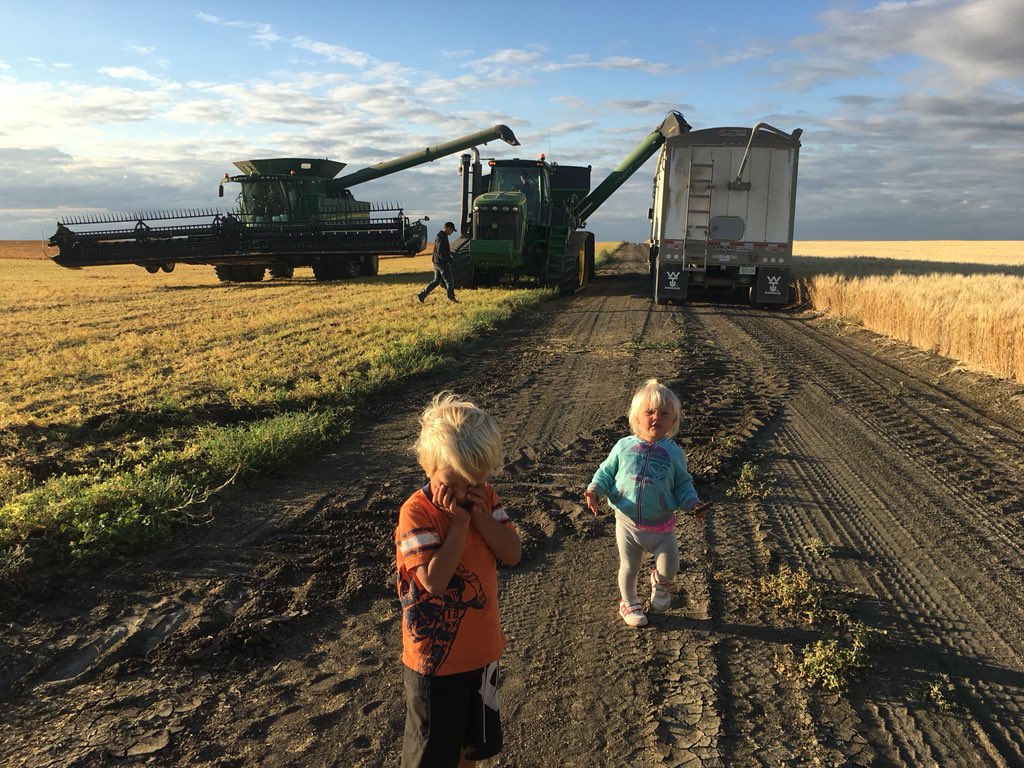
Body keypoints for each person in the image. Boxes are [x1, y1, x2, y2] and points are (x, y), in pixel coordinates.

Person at [396, 392, 522, 767]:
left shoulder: (484, 498)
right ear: (430, 467)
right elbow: (434, 582)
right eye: (456, 480)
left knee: (473, 747)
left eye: (478, 479)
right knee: (432, 755)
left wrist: (481, 516)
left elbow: (512, 553)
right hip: (435, 665)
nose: (468, 490)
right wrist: (460, 524)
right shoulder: (416, 512)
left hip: (482, 653)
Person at [584, 378, 707, 628]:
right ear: (636, 418)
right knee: (629, 567)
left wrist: (692, 503)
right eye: (649, 412)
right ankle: (628, 602)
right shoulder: (623, 447)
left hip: (662, 526)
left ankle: (660, 583)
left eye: (664, 413)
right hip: (627, 523)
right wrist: (595, 491)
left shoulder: (674, 453)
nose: (656, 418)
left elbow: (683, 484)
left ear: (673, 421)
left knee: (671, 565)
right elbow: (605, 473)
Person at [417, 221, 459, 303]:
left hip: (437, 262)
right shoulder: (441, 237)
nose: (452, 232)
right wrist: (448, 259)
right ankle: (451, 298)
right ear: (447, 228)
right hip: (442, 263)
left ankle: (422, 295)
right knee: (449, 281)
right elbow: (440, 252)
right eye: (451, 230)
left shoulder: (441, 235)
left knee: (436, 281)